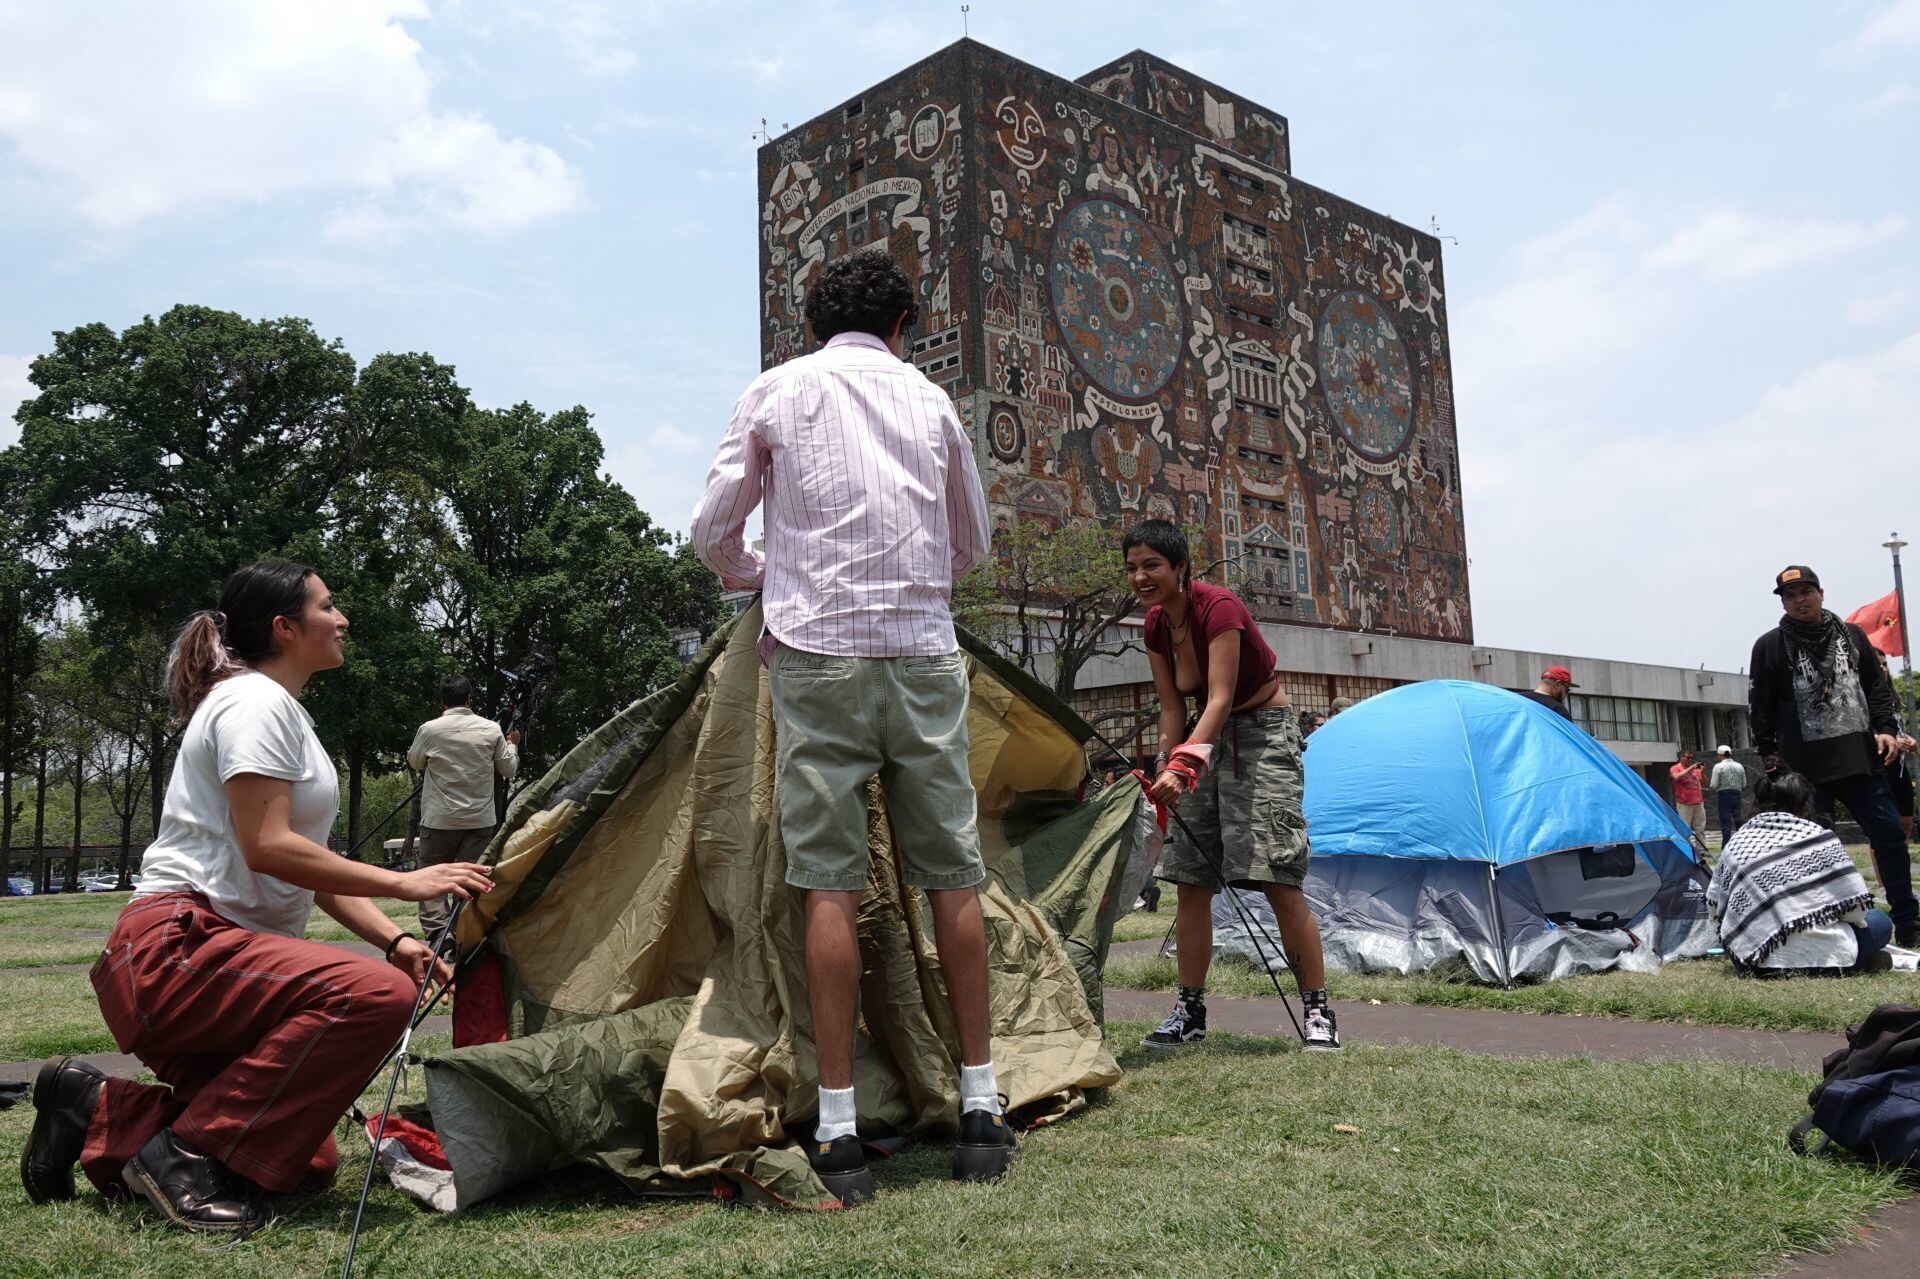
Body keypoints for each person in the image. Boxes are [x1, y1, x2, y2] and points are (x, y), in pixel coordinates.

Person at [18, 560, 492, 1233]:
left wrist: (397, 938)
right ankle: (180, 1154)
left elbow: (308, 868)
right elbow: (266, 844)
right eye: (328, 606)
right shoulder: (254, 702)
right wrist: (403, 883)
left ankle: (92, 1105)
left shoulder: (279, 710)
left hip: (217, 965)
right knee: (376, 995)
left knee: (301, 1164)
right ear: (285, 626)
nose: (343, 619)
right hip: (176, 951)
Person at [690, 248, 1006, 1203]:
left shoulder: (776, 390)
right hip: (919, 648)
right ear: (905, 325)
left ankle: (833, 1122)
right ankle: (982, 1106)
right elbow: (974, 543)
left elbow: (713, 528)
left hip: (816, 649)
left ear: (811, 325)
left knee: (827, 881)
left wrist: (764, 576)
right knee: (952, 870)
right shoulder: (932, 400)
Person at [1121, 519, 1340, 1052]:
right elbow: (1173, 704)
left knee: (1277, 876)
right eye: (1132, 568)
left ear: (1179, 566)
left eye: (1152, 565)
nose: (1141, 577)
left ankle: (1317, 1011)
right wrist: (1164, 766)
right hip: (1205, 737)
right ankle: (1189, 1011)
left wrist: (1184, 765)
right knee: (1190, 880)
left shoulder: (1217, 608)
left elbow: (1218, 697)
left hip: (1261, 734)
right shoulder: (1154, 625)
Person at [1749, 565, 1917, 947]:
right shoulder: (1770, 645)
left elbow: (1876, 689)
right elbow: (1760, 705)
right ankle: (1820, 923)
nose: (1799, 600)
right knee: (1810, 851)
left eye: (1806, 592)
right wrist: (1770, 757)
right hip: (1803, 769)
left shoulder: (1853, 635)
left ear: (1821, 593)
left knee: (1890, 836)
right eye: (1791, 596)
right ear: (1784, 602)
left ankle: (1908, 920)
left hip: (1860, 760)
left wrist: (1887, 730)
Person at [1706, 771, 1893, 973]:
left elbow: (1715, 908)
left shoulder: (1737, 843)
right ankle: (1851, 961)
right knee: (1880, 921)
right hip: (1824, 952)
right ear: (1806, 802)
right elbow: (1855, 910)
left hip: (1752, 960)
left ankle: (1854, 961)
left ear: (1757, 802)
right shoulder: (1819, 838)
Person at [406, 674, 520, 946]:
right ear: (470, 698)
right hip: (478, 820)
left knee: (431, 875)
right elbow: (509, 770)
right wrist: (513, 744)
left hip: (439, 819)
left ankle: (437, 934)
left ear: (442, 701)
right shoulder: (491, 730)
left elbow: (416, 761)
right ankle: (464, 933)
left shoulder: (430, 729)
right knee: (470, 879)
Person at [1708, 745, 1748, 847]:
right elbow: (1744, 784)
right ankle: (1744, 844)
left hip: (1724, 795)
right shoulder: (1739, 766)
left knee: (1725, 822)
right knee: (1738, 820)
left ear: (1720, 755)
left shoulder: (1718, 767)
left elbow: (1714, 784)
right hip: (1737, 794)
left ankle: (1726, 846)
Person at [1669, 751, 1707, 848]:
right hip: (1684, 803)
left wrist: (1702, 771)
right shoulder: (1675, 768)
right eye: (1688, 757)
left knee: (1700, 828)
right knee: (1685, 828)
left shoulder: (1696, 770)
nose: (1690, 759)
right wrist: (1691, 768)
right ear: (1681, 757)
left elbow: (1705, 783)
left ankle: (1702, 849)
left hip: (1698, 802)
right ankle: (1688, 848)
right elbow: (1677, 777)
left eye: (1691, 757)